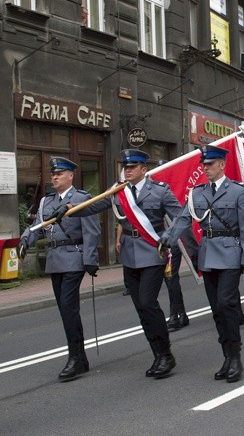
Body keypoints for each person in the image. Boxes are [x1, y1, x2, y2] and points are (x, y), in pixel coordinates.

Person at [59, 149, 181, 379]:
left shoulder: (160, 191)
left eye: (133, 167)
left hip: (153, 252)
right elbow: (93, 206)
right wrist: (68, 210)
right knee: (140, 307)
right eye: (126, 167)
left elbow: (180, 216)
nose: (128, 170)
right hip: (129, 254)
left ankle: (166, 354)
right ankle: (158, 354)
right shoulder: (119, 190)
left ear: (144, 169)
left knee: (147, 302)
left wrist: (169, 237)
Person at [160, 145, 244, 383]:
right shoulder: (197, 193)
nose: (206, 168)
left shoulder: (238, 191)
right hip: (208, 254)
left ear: (222, 165)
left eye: (210, 164)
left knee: (226, 303)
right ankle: (226, 356)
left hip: (231, 253)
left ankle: (236, 357)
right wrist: (166, 239)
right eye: (204, 164)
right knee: (216, 309)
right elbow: (182, 220)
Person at [17, 157, 100, 382]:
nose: (55, 177)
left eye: (60, 174)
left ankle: (74, 358)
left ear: (70, 176)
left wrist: (90, 259)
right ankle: (80, 358)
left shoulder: (81, 199)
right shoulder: (47, 201)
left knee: (68, 306)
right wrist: (26, 239)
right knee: (66, 309)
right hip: (54, 260)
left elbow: (92, 230)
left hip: (74, 257)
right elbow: (38, 227)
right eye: (53, 174)